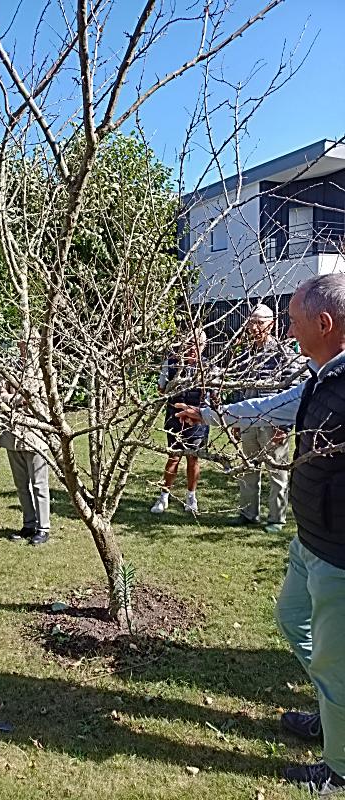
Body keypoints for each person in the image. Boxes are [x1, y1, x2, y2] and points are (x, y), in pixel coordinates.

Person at [176, 274, 345, 794]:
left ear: (324, 323)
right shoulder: (321, 378)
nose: (289, 333)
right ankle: (333, 713)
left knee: (335, 663)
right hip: (309, 540)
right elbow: (271, 406)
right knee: (294, 620)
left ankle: (340, 769)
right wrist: (210, 414)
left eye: (294, 322)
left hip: (340, 555)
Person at [227, 304, 304, 533]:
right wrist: (236, 420)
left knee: (277, 472)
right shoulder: (245, 355)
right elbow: (239, 389)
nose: (254, 327)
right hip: (248, 421)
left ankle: (276, 519)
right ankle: (248, 513)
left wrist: (284, 426)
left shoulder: (283, 354)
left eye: (259, 322)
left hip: (273, 422)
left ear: (271, 324)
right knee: (248, 467)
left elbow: (292, 390)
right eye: (251, 322)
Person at [150, 329, 210, 515]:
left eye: (198, 345)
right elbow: (161, 389)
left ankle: (191, 497)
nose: (193, 349)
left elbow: (211, 396)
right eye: (190, 344)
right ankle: (164, 496)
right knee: (173, 456)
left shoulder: (207, 367)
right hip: (175, 418)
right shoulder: (171, 364)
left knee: (193, 458)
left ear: (204, 346)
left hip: (197, 420)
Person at [0, 337, 50, 546]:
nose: (26, 347)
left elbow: (42, 401)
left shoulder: (45, 371)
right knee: (21, 485)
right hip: (13, 435)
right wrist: (20, 400)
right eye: (23, 343)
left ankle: (43, 527)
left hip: (36, 435)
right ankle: (29, 524)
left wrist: (17, 400)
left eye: (32, 343)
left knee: (39, 485)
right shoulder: (10, 368)